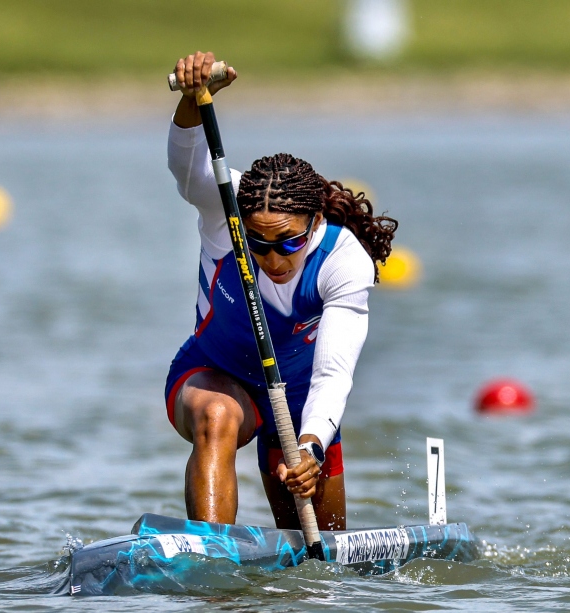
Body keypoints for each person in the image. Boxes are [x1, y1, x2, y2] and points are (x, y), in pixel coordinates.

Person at [166, 51, 398, 532]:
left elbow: (333, 374)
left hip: (300, 405)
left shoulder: (343, 260)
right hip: (212, 373)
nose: (272, 258)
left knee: (321, 565)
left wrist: (311, 445)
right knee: (216, 416)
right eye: (259, 244)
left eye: (288, 242)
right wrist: (192, 100)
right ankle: (212, 558)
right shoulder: (224, 211)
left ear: (315, 223)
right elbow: (188, 169)